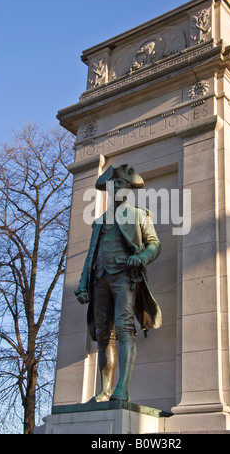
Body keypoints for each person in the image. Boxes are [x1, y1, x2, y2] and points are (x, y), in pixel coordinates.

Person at [75, 164, 162, 402]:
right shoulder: (100, 221)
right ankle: (104, 390)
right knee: (104, 336)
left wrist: (142, 257)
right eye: (114, 186)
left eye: (122, 186)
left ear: (128, 189)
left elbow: (154, 244)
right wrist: (83, 284)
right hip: (99, 279)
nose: (118, 190)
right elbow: (91, 254)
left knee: (124, 330)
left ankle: (122, 388)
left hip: (124, 276)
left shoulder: (138, 215)